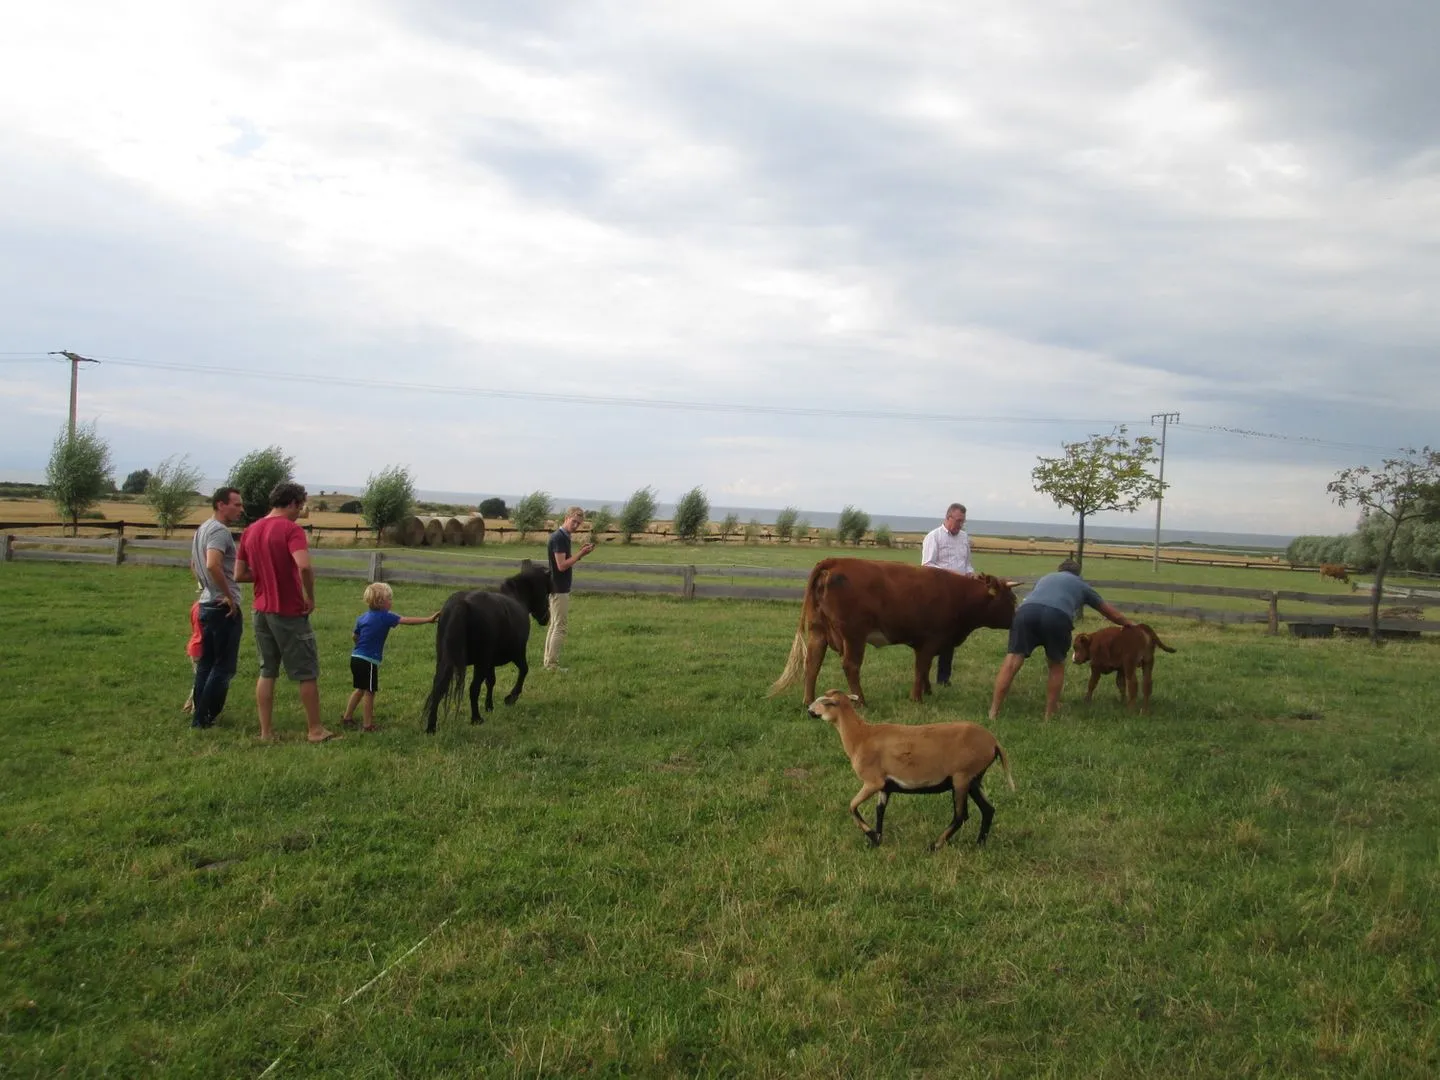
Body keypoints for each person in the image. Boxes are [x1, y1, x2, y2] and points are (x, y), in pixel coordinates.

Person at [235, 481, 338, 743]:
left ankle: (266, 732)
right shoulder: (292, 530)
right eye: (300, 506)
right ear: (292, 502)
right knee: (307, 671)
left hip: (260, 610)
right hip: (289, 611)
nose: (300, 512)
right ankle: (315, 730)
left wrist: (266, 574)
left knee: (267, 671)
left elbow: (239, 574)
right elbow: (304, 566)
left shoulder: (251, 530)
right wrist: (310, 596)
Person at [988, 559, 1134, 722]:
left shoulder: (1045, 578)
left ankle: (993, 712)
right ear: (1078, 574)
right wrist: (1130, 624)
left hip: (1026, 613)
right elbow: (1110, 613)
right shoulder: (1081, 585)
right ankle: (1049, 714)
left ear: (1059, 570)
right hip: (1057, 617)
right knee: (1056, 665)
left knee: (1012, 662)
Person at [340, 582, 439, 732]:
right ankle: (367, 725)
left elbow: (355, 636)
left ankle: (347, 717)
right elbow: (407, 621)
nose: (391, 602)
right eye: (389, 599)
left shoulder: (362, 617)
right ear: (381, 602)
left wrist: (361, 646)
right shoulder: (386, 616)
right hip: (368, 661)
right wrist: (428, 619)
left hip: (355, 657)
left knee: (360, 689)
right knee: (370, 692)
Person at [189, 486, 246, 729]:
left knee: (206, 664)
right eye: (236, 504)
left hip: (206, 603)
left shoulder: (202, 528)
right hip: (222, 606)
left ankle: (199, 716)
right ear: (221, 505)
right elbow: (213, 564)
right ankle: (205, 717)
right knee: (223, 667)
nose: (241, 509)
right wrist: (227, 595)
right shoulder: (219, 531)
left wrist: (205, 587)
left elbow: (194, 564)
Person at [921, 502, 975, 687]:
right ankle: (923, 675)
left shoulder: (964, 537)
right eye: (958, 520)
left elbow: (967, 563)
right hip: (939, 592)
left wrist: (969, 573)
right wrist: (953, 575)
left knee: (951, 634)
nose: (960, 525)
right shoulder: (934, 537)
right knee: (935, 633)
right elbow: (927, 565)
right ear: (948, 517)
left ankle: (944, 678)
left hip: (959, 592)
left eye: (963, 521)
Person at [544, 506, 596, 672]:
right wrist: (581, 555)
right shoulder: (559, 538)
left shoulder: (563, 536)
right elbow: (561, 566)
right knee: (560, 627)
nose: (576, 526)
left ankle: (548, 662)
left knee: (554, 625)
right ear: (566, 518)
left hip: (557, 586)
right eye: (574, 521)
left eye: (579, 523)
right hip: (559, 588)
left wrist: (580, 552)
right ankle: (552, 665)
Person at [182, 595, 202, 714]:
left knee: (199, 678)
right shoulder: (210, 608)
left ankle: (188, 705)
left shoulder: (195, 606)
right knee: (202, 681)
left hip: (194, 646)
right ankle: (196, 709)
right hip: (202, 648)